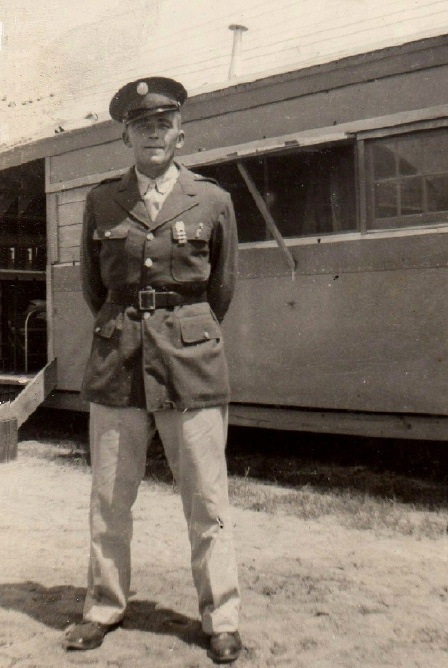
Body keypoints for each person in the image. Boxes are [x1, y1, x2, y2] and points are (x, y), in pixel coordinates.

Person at [61, 76, 241, 664]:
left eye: (164, 125)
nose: (154, 134)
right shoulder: (101, 202)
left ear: (181, 134)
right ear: (125, 136)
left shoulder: (212, 200)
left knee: (207, 500)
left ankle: (222, 618)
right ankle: (103, 608)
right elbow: (95, 286)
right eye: (142, 126)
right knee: (110, 498)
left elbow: (221, 288)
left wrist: (177, 328)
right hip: (119, 363)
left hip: (190, 364)